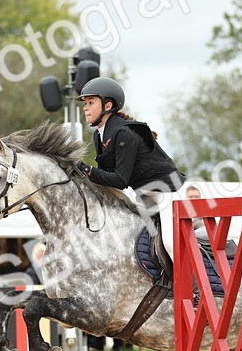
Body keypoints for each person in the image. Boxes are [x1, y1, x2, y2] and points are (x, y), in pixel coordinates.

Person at [76, 78, 186, 269]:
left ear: (107, 105)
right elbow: (106, 174)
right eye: (85, 103)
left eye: (91, 103)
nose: (85, 108)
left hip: (168, 192)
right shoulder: (100, 135)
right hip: (145, 195)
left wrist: (87, 170)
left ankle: (194, 290)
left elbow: (119, 180)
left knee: (169, 242)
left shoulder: (124, 133)